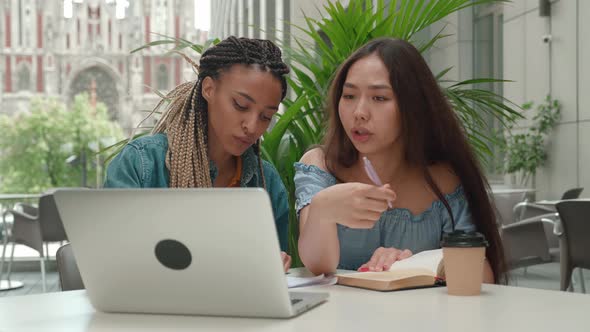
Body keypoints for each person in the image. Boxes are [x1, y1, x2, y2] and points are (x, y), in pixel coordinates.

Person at [294, 38, 506, 283]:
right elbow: (319, 265)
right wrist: (323, 209)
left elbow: (482, 279)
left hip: (420, 319)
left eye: (380, 98)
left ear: (413, 105)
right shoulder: (321, 166)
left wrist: (414, 264)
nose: (359, 112)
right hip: (335, 318)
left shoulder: (444, 180)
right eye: (349, 95)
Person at [105, 36, 292, 271]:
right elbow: (113, 265)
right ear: (209, 89)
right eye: (240, 105)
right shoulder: (141, 165)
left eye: (266, 116)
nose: (252, 126)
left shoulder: (268, 184)